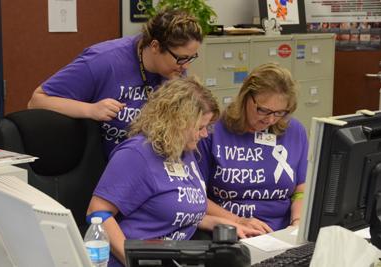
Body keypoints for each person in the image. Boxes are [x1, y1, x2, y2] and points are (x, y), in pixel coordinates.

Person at [87, 77, 261, 267]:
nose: (204, 135)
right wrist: (131, 261)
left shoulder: (184, 151)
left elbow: (176, 210)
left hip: (173, 259)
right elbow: (98, 213)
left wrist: (222, 223)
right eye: (200, 128)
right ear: (176, 123)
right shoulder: (136, 154)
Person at [27, 8, 203, 157]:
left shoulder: (175, 69)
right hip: (105, 169)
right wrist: (91, 109)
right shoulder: (102, 61)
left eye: (191, 58)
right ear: (156, 46)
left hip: (150, 166)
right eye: (181, 59)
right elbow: (37, 101)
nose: (186, 66)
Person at [197, 63, 308, 233]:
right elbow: (195, 195)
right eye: (263, 110)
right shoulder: (212, 130)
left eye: (280, 112)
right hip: (231, 229)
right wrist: (238, 221)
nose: (270, 120)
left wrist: (297, 223)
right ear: (246, 97)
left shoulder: (294, 131)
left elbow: (301, 188)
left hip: (282, 231)